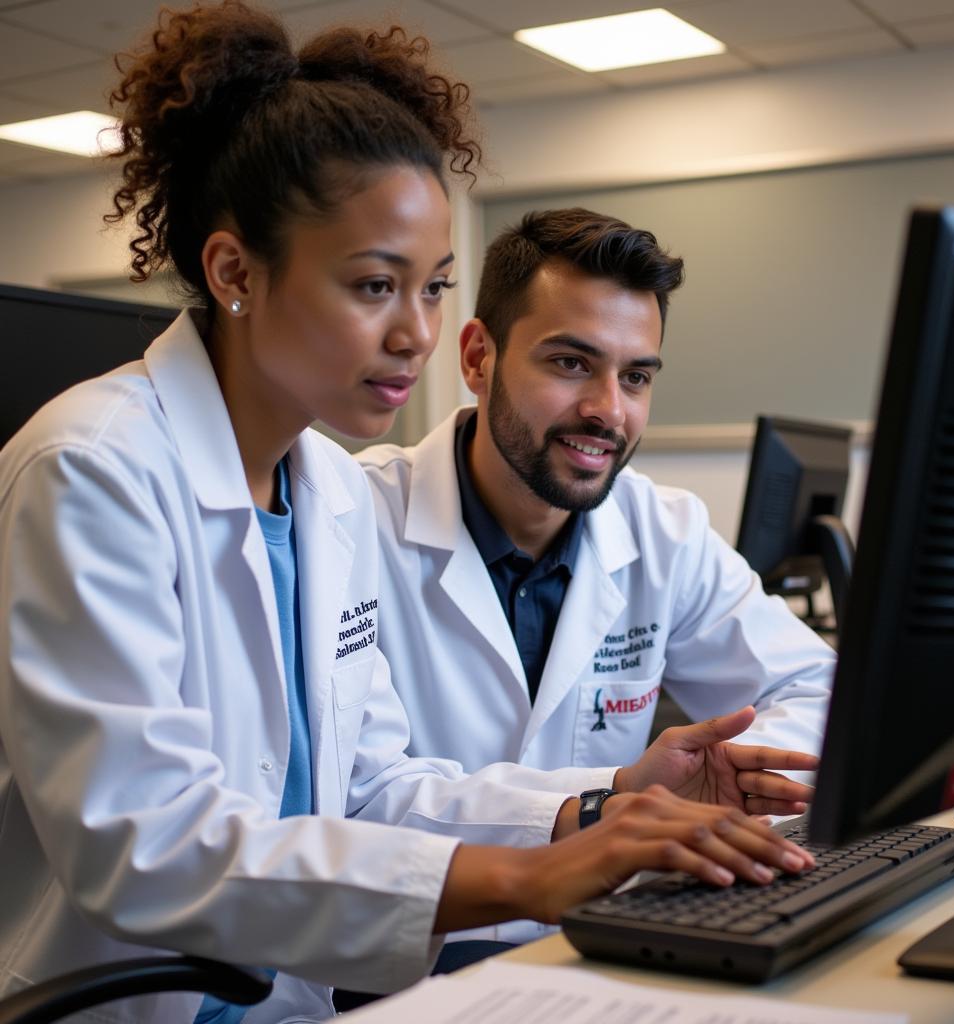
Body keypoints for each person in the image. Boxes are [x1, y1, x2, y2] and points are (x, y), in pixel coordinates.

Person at [0, 5, 816, 1022]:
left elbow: (372, 786)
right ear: (234, 272)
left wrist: (596, 812)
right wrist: (526, 879)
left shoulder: (326, 489)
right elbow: (146, 844)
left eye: (431, 289)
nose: (415, 335)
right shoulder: (92, 467)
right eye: (374, 286)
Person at [357, 208, 838, 945]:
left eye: (636, 376)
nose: (608, 411)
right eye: (571, 363)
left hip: (598, 940)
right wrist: (606, 802)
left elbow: (815, 686)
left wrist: (733, 775)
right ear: (479, 358)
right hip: (409, 956)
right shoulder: (354, 521)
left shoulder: (662, 529)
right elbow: (358, 797)